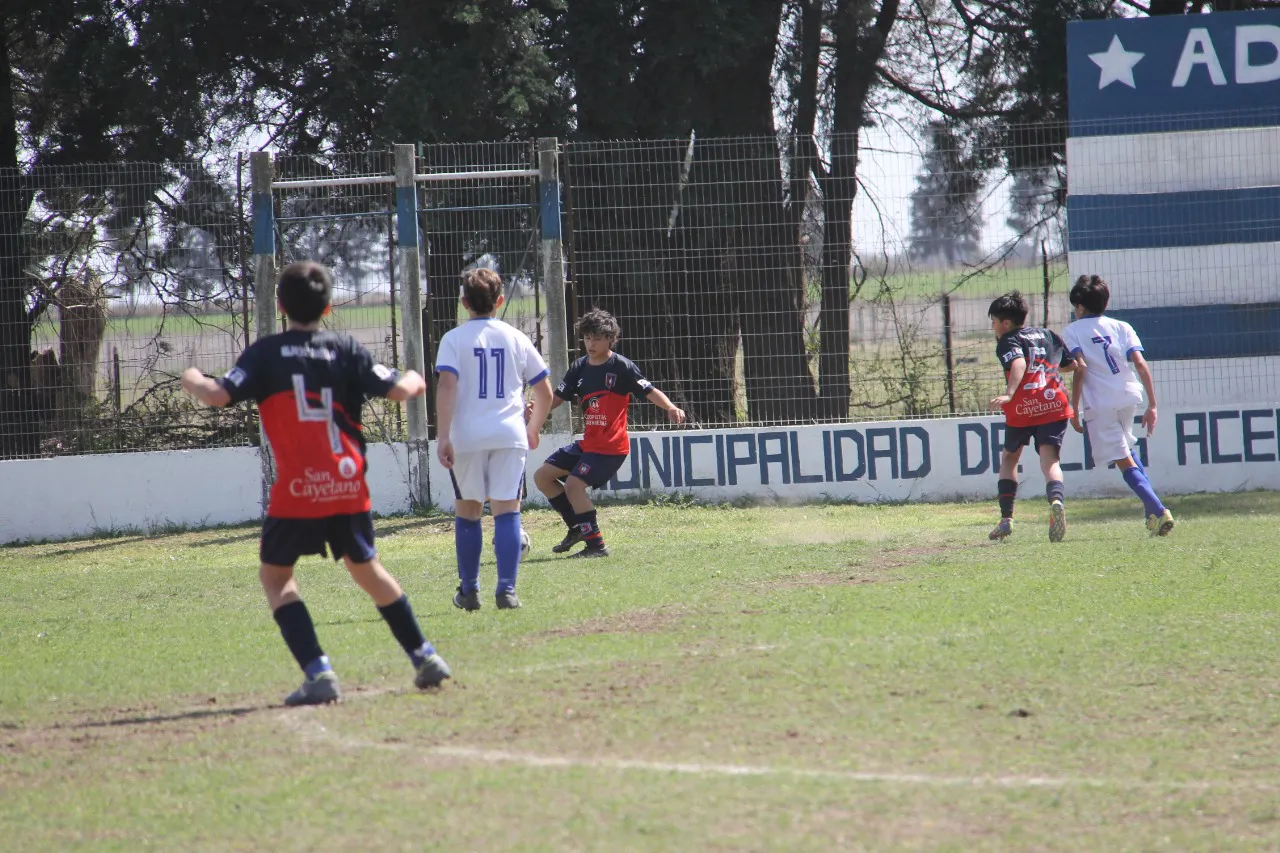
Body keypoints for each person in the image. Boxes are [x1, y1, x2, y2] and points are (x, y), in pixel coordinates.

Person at [181, 260, 450, 706]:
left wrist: (191, 377)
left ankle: (319, 673)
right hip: (347, 484)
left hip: (299, 490)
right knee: (368, 570)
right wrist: (418, 378)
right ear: (328, 308)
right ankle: (425, 656)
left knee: (276, 577)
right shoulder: (345, 349)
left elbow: (217, 395)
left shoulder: (266, 353)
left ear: (282, 304)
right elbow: (402, 389)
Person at [434, 268, 554, 611]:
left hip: (466, 437)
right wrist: (532, 430)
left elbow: (446, 386)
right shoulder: (515, 337)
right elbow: (544, 391)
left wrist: (443, 436)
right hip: (508, 435)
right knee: (506, 510)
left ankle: (469, 591)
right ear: (500, 301)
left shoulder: (453, 339)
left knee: (469, 510)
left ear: (463, 302)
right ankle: (506, 590)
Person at [532, 309, 686, 558]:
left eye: (597, 338)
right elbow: (557, 399)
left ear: (610, 339)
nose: (590, 344)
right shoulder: (579, 368)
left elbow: (649, 390)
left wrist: (670, 406)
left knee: (573, 486)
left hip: (610, 448)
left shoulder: (622, 367)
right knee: (542, 477)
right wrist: (536, 412)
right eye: (587, 337)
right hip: (588, 445)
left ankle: (596, 546)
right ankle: (577, 527)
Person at [1063, 274, 1175, 536]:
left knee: (1122, 460)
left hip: (1101, 402)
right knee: (1126, 450)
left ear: (1079, 307)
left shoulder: (1072, 331)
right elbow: (1140, 364)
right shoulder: (1122, 326)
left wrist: (1074, 407)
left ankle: (1158, 510)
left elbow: (1080, 369)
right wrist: (1153, 405)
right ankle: (1151, 513)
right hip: (1129, 395)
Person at [986, 291, 1075, 543]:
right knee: (1050, 461)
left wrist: (1009, 393)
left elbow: (1018, 364)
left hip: (1024, 406)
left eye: (993, 321)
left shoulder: (1007, 339)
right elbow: (1070, 365)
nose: (993, 326)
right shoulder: (1048, 334)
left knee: (1009, 459)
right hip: (1054, 403)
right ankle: (1056, 501)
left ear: (1005, 322)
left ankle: (1006, 519)